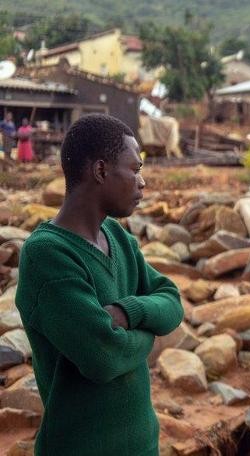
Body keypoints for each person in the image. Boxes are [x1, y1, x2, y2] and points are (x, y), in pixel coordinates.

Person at [16, 114, 184, 455]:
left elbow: (172, 301)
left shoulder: (118, 237)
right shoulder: (47, 255)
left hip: (142, 443)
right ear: (101, 171)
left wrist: (128, 311)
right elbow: (103, 357)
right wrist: (151, 331)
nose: (143, 182)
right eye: (135, 169)